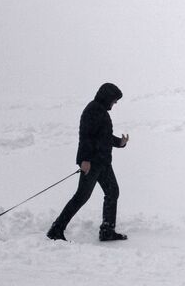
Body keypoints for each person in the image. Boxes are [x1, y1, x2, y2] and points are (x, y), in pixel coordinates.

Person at [47, 83, 130, 242]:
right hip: (92, 163)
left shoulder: (101, 111)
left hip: (104, 163)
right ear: (107, 97)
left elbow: (103, 137)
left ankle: (107, 230)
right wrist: (84, 160)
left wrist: (120, 142)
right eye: (114, 99)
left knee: (113, 192)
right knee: (81, 197)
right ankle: (56, 230)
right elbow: (85, 137)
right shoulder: (92, 110)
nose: (116, 103)